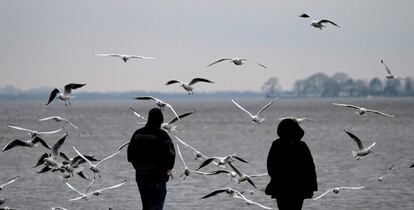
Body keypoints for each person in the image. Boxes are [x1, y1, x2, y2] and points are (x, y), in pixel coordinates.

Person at [127, 108, 176, 210]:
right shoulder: (162, 136)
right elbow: (171, 156)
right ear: (161, 120)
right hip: (157, 177)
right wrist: (165, 171)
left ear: (148, 119)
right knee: (156, 206)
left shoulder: (137, 134)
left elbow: (130, 156)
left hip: (141, 177)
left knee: (146, 206)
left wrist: (140, 168)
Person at [265, 118, 317, 210]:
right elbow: (309, 168)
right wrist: (311, 188)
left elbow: (270, 166)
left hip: (281, 188)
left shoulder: (276, 145)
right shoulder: (301, 146)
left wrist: (277, 178)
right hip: (298, 187)